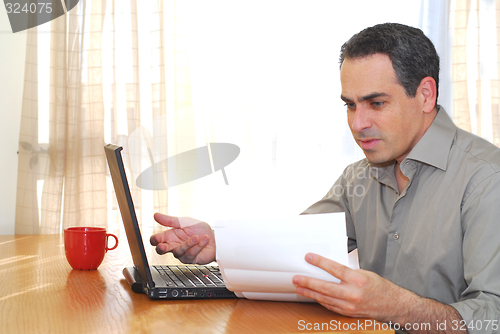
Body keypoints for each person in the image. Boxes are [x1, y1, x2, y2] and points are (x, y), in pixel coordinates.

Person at [150, 23, 500, 333]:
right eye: (350, 105)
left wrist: (398, 307)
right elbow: (297, 246)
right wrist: (218, 243)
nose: (357, 124)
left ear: (425, 95)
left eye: (376, 103)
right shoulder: (358, 177)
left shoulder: (486, 178)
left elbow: (493, 317)